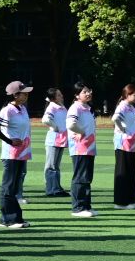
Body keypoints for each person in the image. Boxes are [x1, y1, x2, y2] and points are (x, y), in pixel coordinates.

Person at [0, 81, 34, 229]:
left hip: (22, 154)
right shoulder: (7, 110)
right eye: (24, 92)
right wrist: (9, 141)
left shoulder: (22, 108)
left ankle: (14, 217)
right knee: (8, 188)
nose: (27, 94)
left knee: (14, 188)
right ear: (15, 95)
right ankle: (8, 219)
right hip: (11, 154)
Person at [66, 85, 99, 218]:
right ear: (76, 95)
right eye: (84, 92)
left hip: (89, 147)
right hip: (80, 147)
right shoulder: (75, 107)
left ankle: (86, 206)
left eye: (89, 91)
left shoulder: (88, 108)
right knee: (80, 177)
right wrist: (81, 132)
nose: (88, 93)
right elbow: (70, 124)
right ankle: (78, 208)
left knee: (87, 178)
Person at [112, 83, 135, 209]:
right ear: (127, 95)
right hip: (122, 144)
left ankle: (131, 200)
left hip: (131, 144)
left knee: (131, 171)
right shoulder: (123, 106)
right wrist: (122, 129)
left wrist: (134, 130)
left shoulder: (131, 107)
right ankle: (120, 202)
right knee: (123, 171)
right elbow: (115, 118)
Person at [40, 87, 69, 197]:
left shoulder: (61, 106)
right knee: (51, 165)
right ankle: (51, 189)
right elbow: (45, 119)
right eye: (59, 95)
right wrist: (55, 127)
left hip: (60, 139)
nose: (62, 96)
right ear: (53, 98)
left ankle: (56, 188)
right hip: (54, 139)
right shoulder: (52, 107)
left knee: (55, 166)